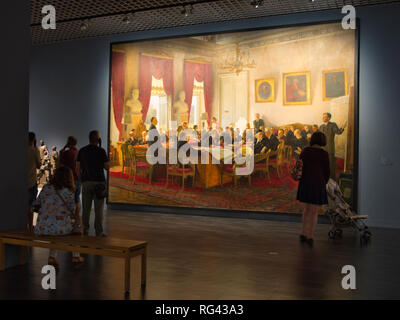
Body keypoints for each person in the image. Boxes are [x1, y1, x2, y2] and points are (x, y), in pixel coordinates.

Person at [33, 166, 83, 267]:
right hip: (60, 229)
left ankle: (52, 257)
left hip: (42, 227)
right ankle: (76, 256)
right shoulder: (69, 192)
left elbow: (36, 204)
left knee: (54, 226)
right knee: (74, 228)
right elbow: (72, 211)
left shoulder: (46, 188)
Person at [297, 132, 330, 246]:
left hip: (306, 182)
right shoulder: (324, 154)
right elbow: (327, 172)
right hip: (318, 183)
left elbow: (300, 165)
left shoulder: (305, 151)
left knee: (306, 210)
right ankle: (310, 236)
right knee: (314, 211)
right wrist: (323, 182)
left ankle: (302, 233)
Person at [77, 130, 110, 237]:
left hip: (86, 182)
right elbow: (106, 167)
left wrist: (82, 180)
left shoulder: (82, 151)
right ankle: (98, 232)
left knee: (85, 209)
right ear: (98, 139)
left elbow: (77, 168)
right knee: (99, 209)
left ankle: (85, 229)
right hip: (99, 183)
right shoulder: (101, 151)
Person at [319, 112, 347, 180]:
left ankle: (331, 178)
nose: (323, 118)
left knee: (330, 164)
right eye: (323, 116)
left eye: (325, 117)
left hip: (330, 148)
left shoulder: (333, 125)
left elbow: (338, 132)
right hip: (322, 148)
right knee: (322, 163)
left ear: (329, 118)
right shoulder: (321, 126)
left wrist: (343, 127)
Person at [59, 136, 81, 220]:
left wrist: (62, 151)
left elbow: (60, 165)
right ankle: (76, 218)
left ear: (68, 143)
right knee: (77, 199)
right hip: (77, 178)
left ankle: (66, 219)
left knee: (66, 199)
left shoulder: (66, 153)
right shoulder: (78, 152)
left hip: (68, 179)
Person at [28, 132, 41, 232]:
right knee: (31, 205)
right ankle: (30, 225)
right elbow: (39, 165)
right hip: (31, 181)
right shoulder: (34, 150)